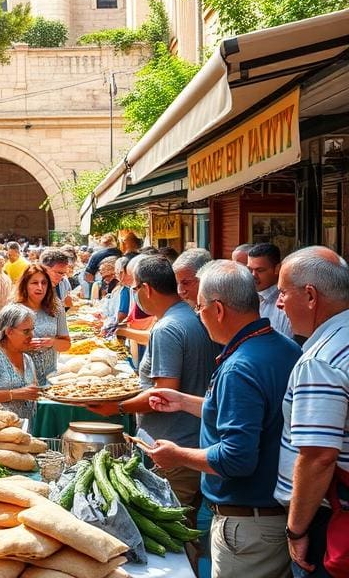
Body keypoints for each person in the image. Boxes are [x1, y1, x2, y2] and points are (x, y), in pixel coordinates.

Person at [145, 260, 300, 578]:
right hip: (273, 516)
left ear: (217, 309)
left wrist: (176, 455)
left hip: (248, 527)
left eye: (199, 308)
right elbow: (254, 415)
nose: (198, 316)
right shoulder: (284, 348)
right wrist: (186, 402)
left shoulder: (240, 365)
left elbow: (236, 459)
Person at [88, 255, 222, 510]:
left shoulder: (168, 328)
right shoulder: (192, 317)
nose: (134, 294)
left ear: (146, 288)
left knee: (174, 528)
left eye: (134, 288)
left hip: (173, 446)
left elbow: (163, 394)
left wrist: (117, 408)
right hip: (192, 439)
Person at [274, 247, 349, 578]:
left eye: (282, 293)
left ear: (309, 296)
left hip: (331, 523)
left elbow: (318, 456)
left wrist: (296, 529)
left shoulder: (321, 360)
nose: (278, 303)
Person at [13, 261, 70, 385]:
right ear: (25, 285)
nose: (40, 287)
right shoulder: (13, 310)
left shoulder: (56, 307)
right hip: (19, 382)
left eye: (44, 283)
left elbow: (66, 344)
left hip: (49, 379)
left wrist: (52, 342)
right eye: (34, 283)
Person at [246, 242, 293, 339]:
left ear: (277, 269)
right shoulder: (244, 296)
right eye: (250, 270)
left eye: (260, 270)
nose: (253, 275)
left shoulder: (287, 302)